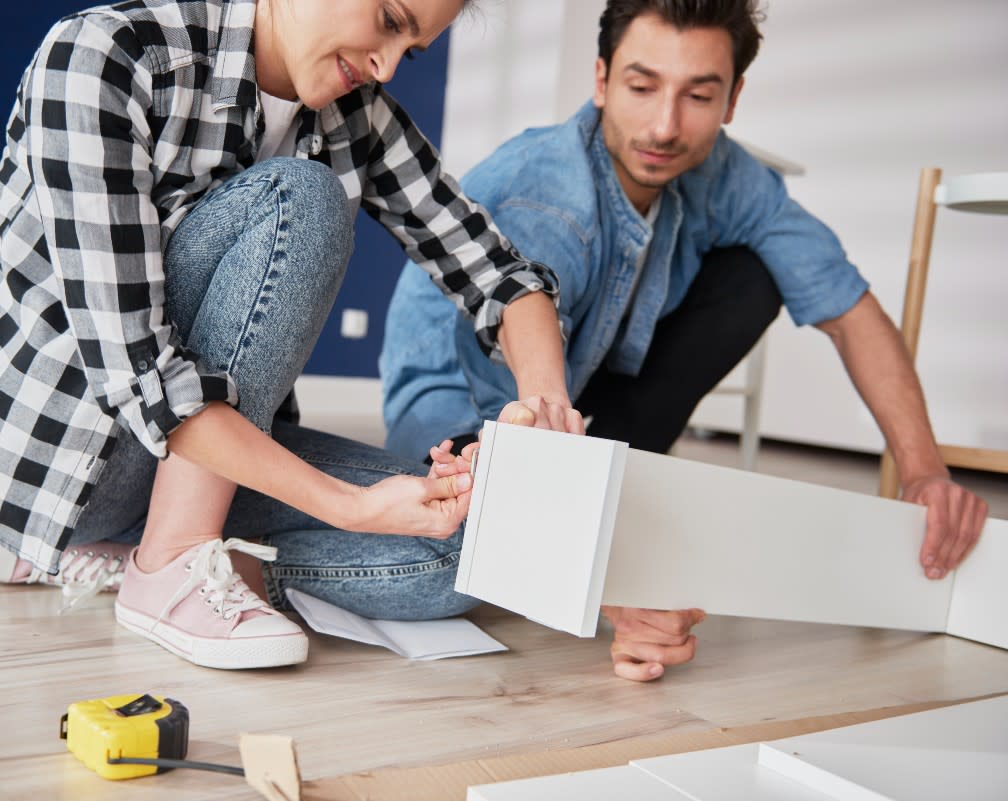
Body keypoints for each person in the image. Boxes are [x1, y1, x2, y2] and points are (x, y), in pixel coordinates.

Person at [0, 0, 578, 671]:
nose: (388, 66)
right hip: (58, 458)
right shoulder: (107, 55)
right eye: (391, 20)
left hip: (193, 459)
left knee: (462, 545)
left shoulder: (359, 116)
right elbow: (141, 378)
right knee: (300, 199)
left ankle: (122, 557)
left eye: (411, 49)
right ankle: (167, 563)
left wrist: (545, 406)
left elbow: (500, 275)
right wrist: (351, 507)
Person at [380, 0, 990, 681]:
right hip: (467, 415)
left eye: (698, 96)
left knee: (755, 274)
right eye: (642, 87)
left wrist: (926, 472)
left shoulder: (726, 174)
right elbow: (519, 435)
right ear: (602, 80)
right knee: (453, 558)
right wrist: (608, 582)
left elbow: (849, 309)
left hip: (580, 397)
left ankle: (619, 496)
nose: (664, 127)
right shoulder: (548, 200)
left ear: (732, 99)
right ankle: (608, 515)